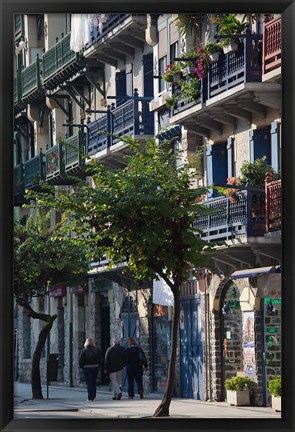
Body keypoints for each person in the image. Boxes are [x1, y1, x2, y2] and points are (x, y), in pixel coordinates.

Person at [79, 337, 101, 402]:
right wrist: (98, 365)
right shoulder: (96, 350)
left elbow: (81, 360)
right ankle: (93, 395)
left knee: (89, 382)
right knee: (94, 382)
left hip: (87, 367)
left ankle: (90, 397)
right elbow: (100, 358)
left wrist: (82, 366)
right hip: (95, 367)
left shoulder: (84, 350)